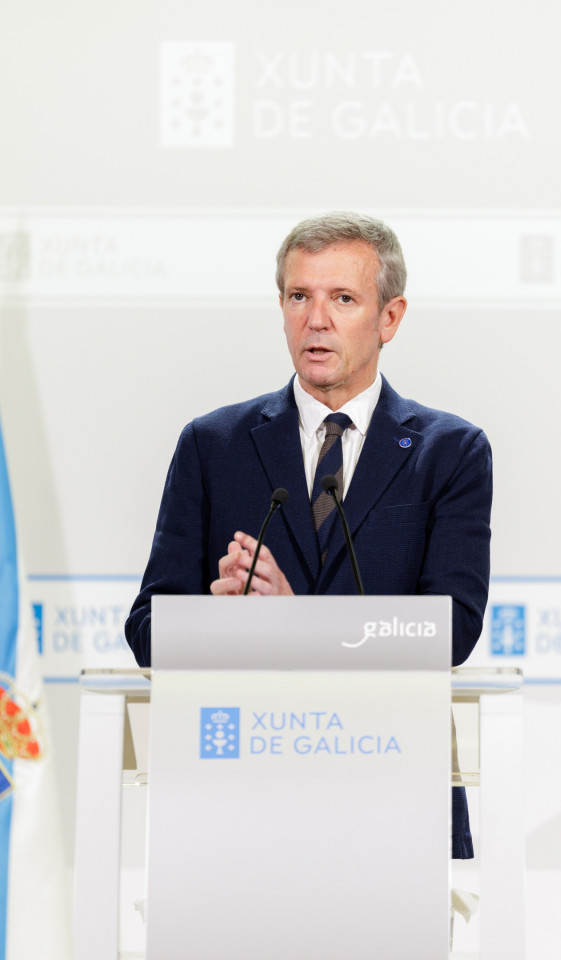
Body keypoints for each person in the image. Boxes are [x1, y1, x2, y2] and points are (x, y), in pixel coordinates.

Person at [125, 211, 492, 858]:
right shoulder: (214, 445)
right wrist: (223, 613)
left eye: (343, 299)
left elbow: (451, 631)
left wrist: (295, 621)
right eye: (300, 296)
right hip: (236, 800)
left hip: (392, 794)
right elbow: (147, 629)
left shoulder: (450, 452)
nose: (315, 319)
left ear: (390, 318)